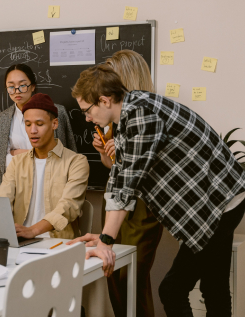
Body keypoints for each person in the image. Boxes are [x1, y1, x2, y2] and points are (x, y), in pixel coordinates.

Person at [70, 64, 245, 317]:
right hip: (222, 200)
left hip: (220, 202)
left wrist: (107, 240)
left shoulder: (141, 114)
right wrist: (105, 237)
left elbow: (128, 182)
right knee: (213, 286)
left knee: (173, 290)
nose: (86, 118)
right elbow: (120, 174)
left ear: (105, 100)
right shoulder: (130, 113)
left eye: (87, 110)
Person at [91, 50, 164, 317]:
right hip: (115, 201)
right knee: (111, 271)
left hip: (143, 205)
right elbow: (115, 168)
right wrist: (104, 152)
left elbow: (146, 171)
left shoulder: (147, 113)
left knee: (132, 276)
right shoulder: (114, 113)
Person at [0, 93, 89, 239]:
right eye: (28, 124)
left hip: (57, 243)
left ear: (55, 124)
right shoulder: (17, 162)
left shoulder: (76, 162)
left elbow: (68, 207)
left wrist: (33, 231)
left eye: (39, 124)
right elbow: (2, 202)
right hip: (20, 240)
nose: (33, 130)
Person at [0, 63, 77, 196]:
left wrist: (16, 153)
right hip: (14, 189)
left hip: (51, 186)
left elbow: (66, 152)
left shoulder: (57, 112)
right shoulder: (1, 120)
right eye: (11, 87)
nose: (17, 91)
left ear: (33, 86)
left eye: (22, 85)